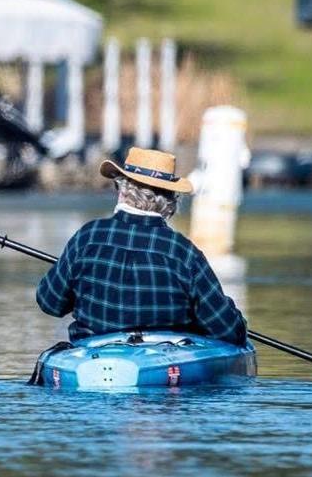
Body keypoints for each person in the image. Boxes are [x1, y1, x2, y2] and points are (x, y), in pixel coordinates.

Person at [35, 147, 247, 345]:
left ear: (122, 190)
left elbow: (49, 302)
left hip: (90, 356)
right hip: (165, 364)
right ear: (170, 200)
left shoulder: (87, 237)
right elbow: (228, 329)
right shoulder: (182, 252)